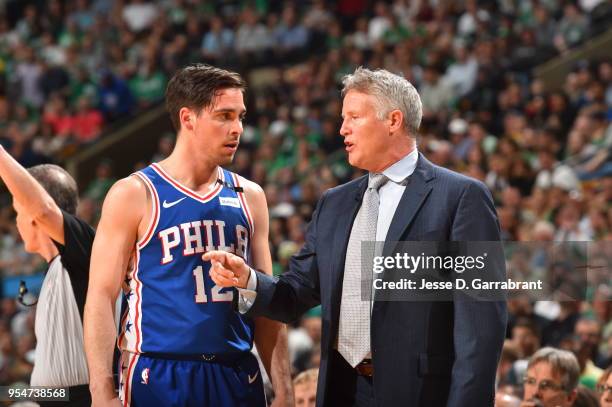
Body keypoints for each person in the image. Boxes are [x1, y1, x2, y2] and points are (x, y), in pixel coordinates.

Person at [207, 67, 507, 406]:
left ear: (393, 121)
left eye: (353, 117)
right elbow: (295, 294)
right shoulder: (334, 203)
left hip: (421, 394)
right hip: (342, 389)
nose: (342, 129)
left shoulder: (461, 197)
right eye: (342, 118)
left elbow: (481, 329)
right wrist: (248, 280)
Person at [84, 64, 292, 407]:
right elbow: (102, 297)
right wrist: (101, 391)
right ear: (188, 117)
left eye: (240, 117)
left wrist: (284, 389)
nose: (237, 128)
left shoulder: (249, 196)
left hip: (236, 373)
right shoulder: (135, 193)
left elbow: (266, 301)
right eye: (224, 116)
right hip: (158, 372)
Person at [0, 146, 93, 406]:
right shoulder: (54, 268)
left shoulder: (86, 250)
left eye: (18, 212)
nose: (17, 222)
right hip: (53, 397)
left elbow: (42, 209)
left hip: (82, 397)